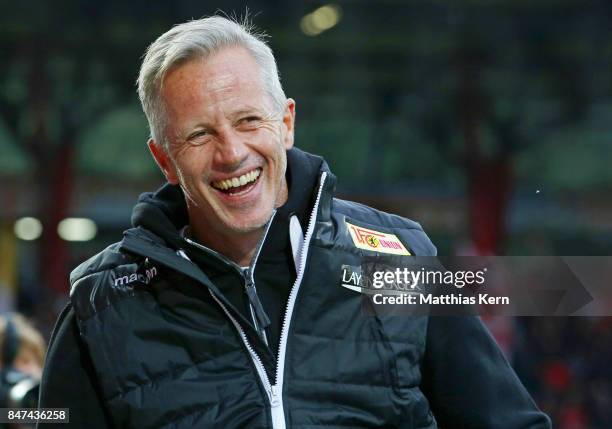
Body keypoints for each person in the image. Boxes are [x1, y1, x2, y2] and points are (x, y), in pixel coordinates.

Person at [38, 16, 551, 428]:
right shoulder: (100, 304)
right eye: (199, 135)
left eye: (248, 120)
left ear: (285, 123)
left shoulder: (403, 257)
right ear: (165, 160)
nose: (232, 153)